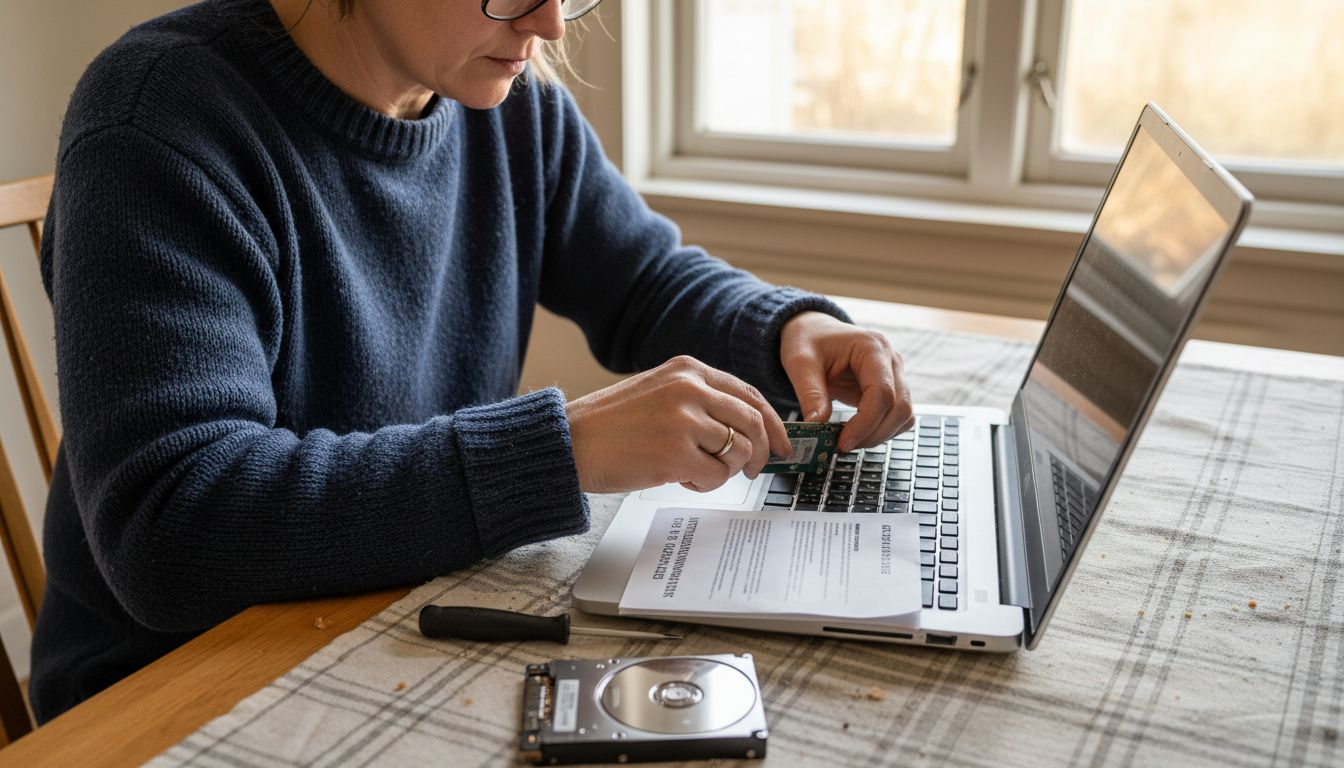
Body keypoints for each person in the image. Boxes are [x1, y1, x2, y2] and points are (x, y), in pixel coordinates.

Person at [29, 0, 913, 723]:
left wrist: (783, 330)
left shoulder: (509, 107)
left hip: (395, 611)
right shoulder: (157, 120)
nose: (552, 23)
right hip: (172, 691)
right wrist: (561, 449)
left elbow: (641, 279)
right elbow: (172, 529)